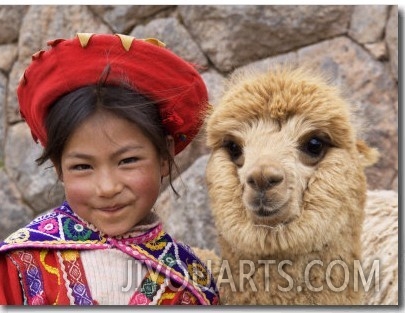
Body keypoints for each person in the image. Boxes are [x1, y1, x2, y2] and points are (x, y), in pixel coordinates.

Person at [0, 33, 219, 305]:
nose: (107, 187)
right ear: (59, 168)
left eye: (127, 161)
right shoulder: (18, 265)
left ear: (164, 155)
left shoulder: (190, 283)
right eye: (82, 166)